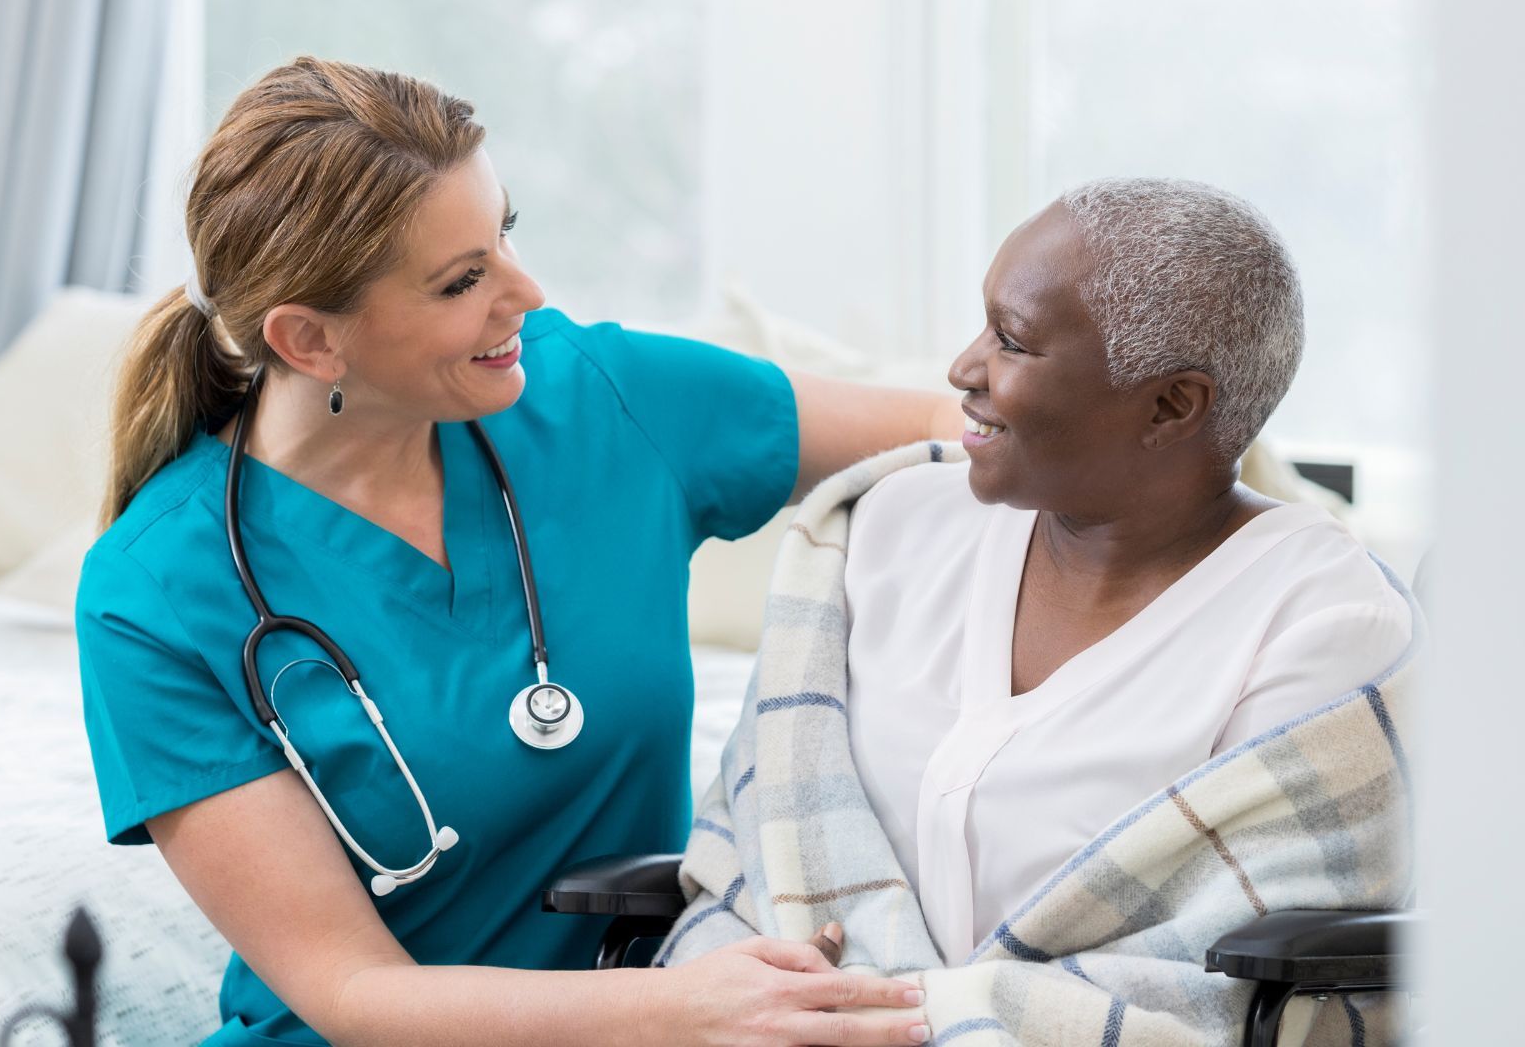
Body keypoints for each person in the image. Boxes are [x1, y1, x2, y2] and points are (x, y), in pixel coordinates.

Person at [75, 55, 955, 1046]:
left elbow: (943, 427)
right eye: (464, 280)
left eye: (506, 235)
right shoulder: (153, 593)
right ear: (312, 342)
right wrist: (686, 1009)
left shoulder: (601, 396)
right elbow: (351, 992)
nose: (527, 293)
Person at [841, 179, 1410, 963]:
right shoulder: (895, 524)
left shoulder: (1321, 623)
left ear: (1171, 407)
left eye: (1011, 340)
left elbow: (1222, 962)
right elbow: (772, 829)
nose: (963, 368)